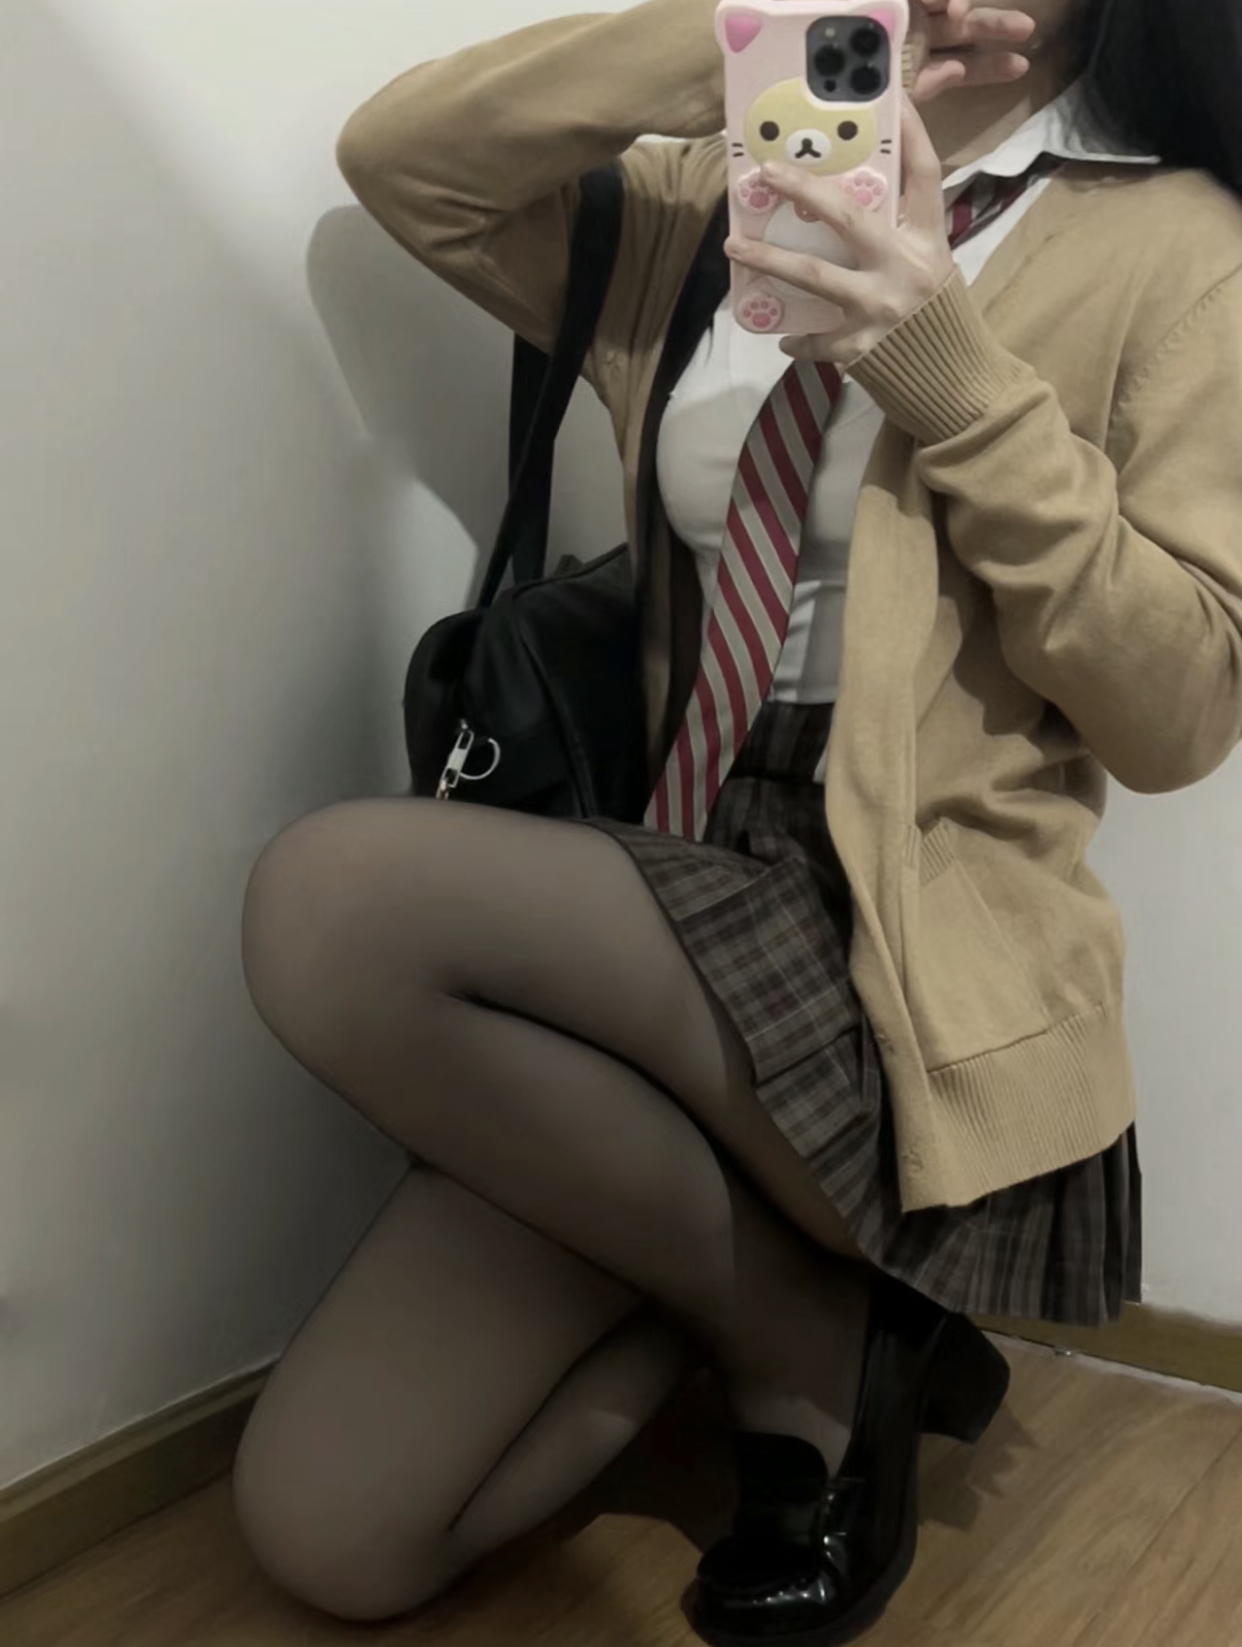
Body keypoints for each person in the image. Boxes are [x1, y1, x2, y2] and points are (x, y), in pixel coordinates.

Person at [232, 0, 1242, 1640]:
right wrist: (755, 31)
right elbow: (412, 163)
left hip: (906, 940)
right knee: (337, 1537)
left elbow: (1180, 708)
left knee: (338, 897)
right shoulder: (712, 198)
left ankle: (788, 1318)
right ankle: (800, 1316)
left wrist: (952, 376)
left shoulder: (1175, 241)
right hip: (662, 882)